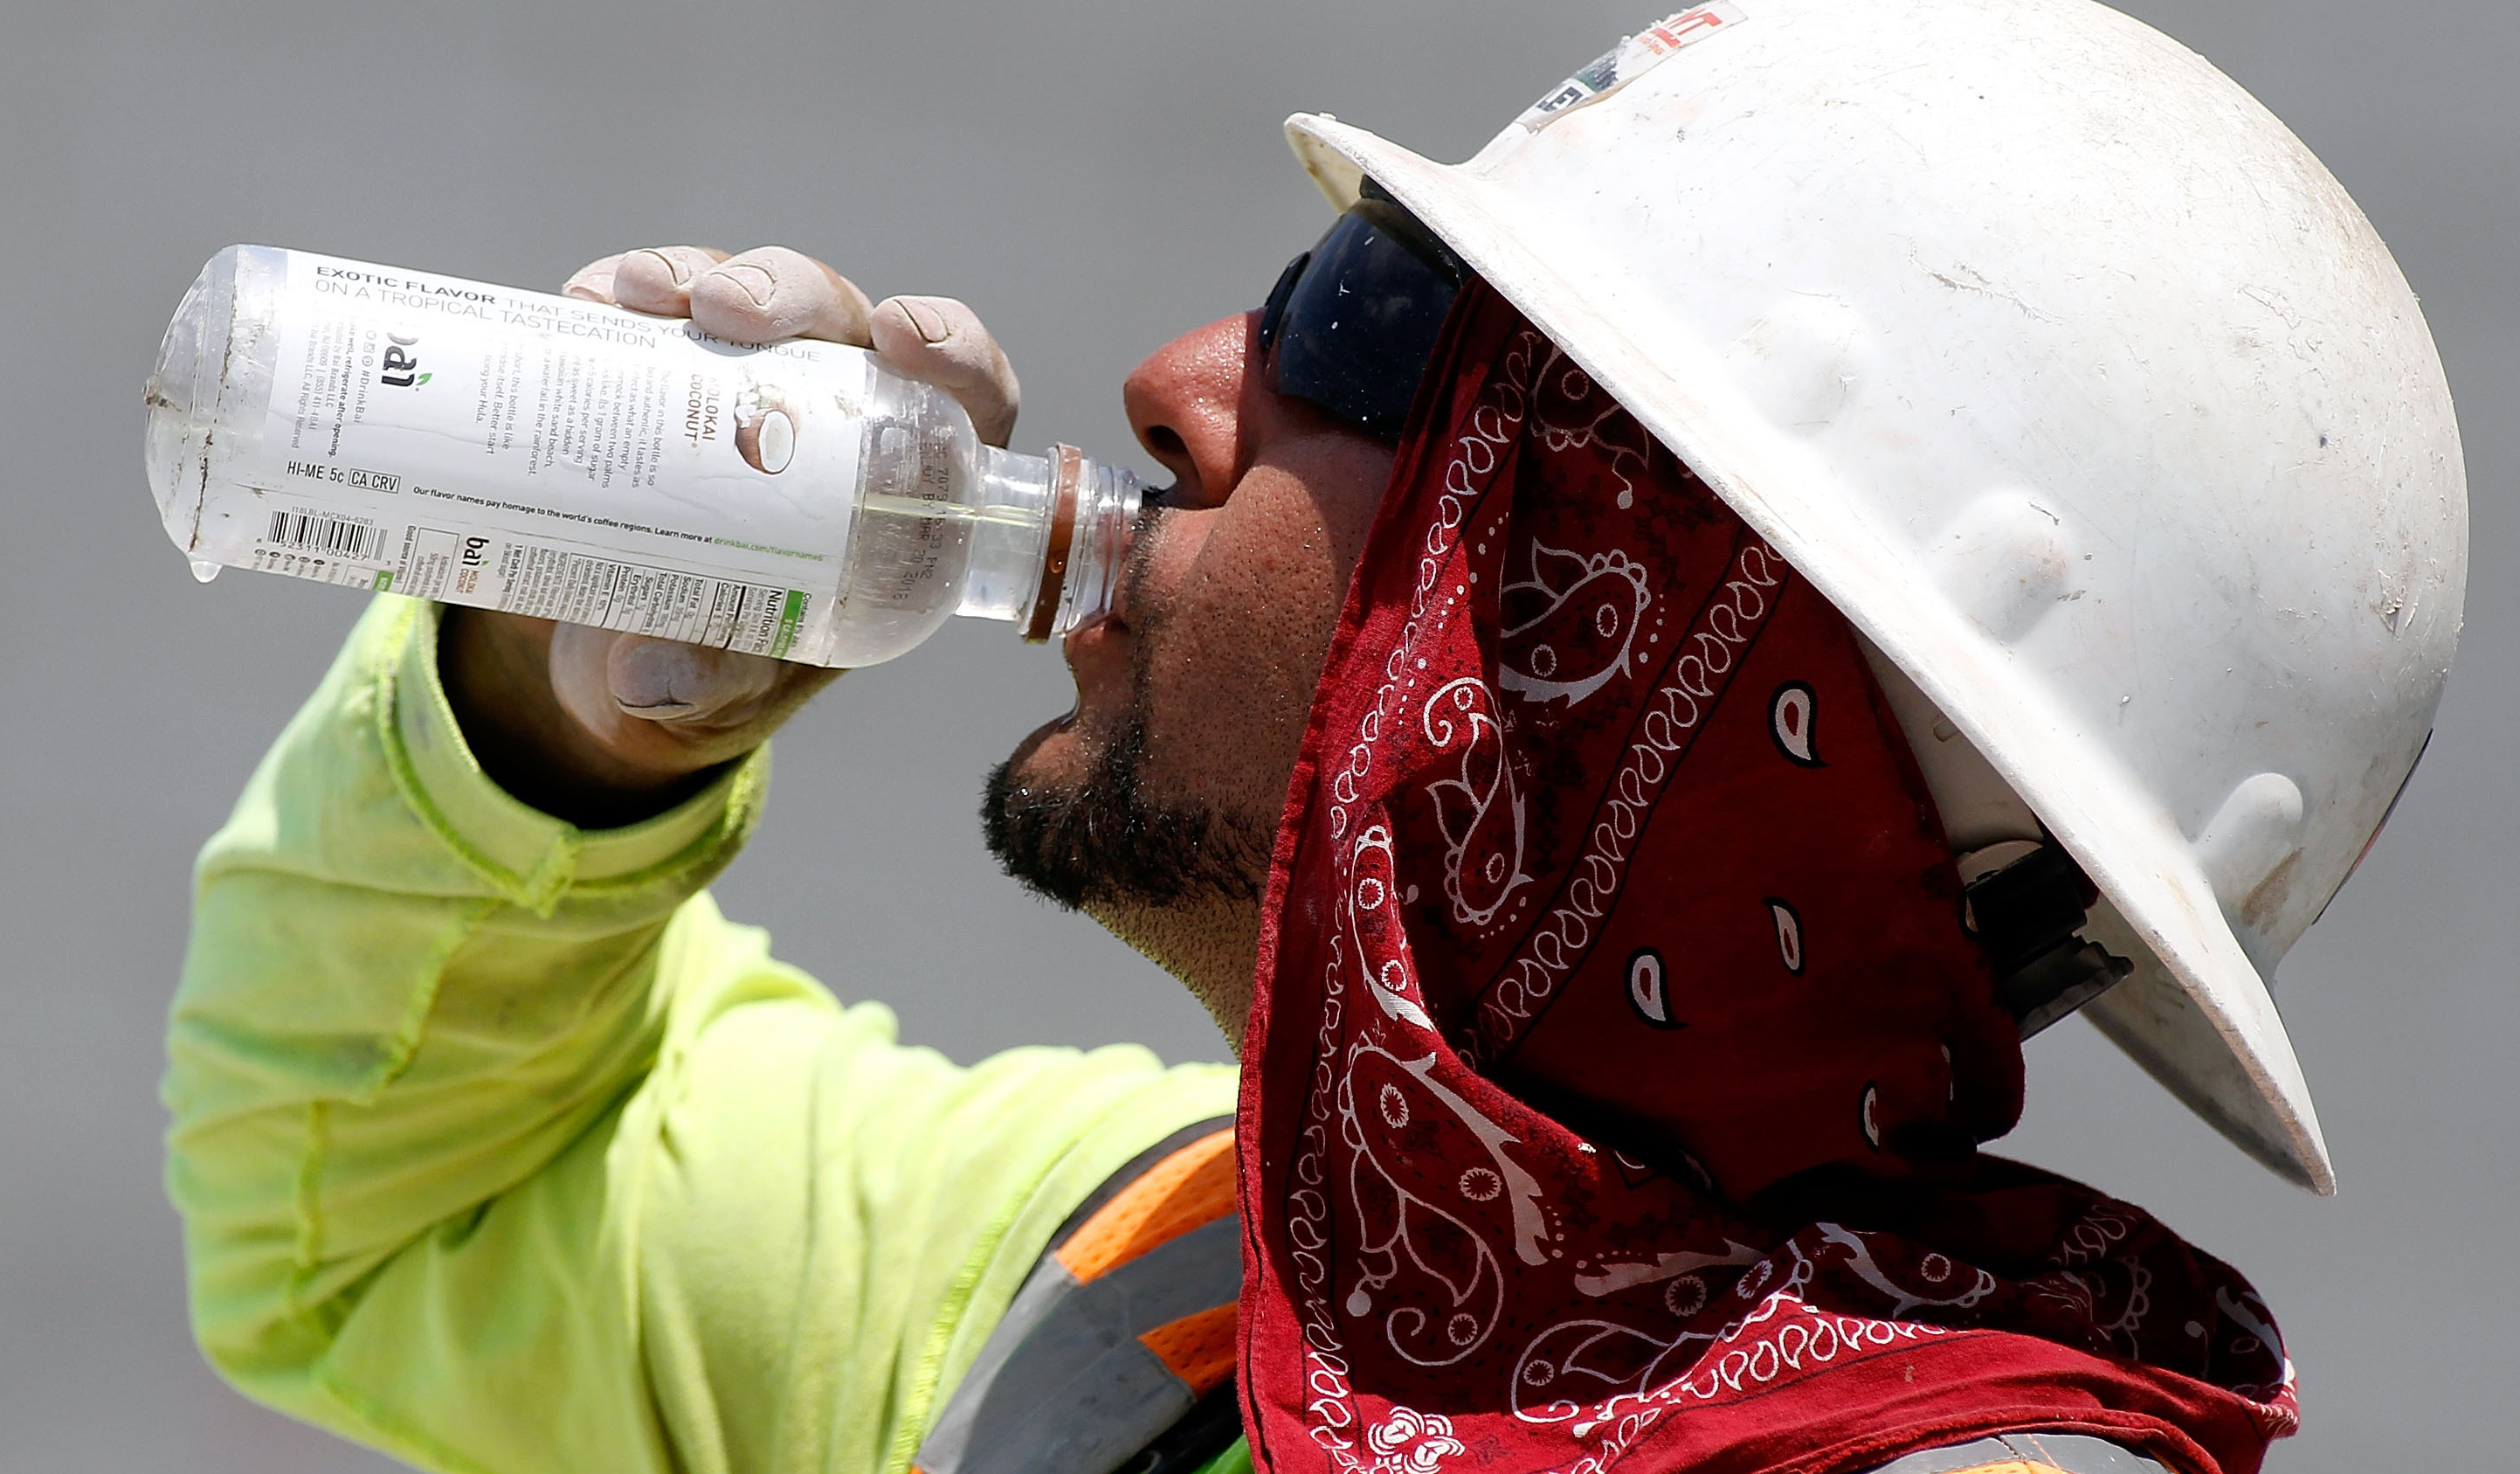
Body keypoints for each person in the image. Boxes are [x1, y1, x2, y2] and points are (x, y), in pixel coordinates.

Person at [162, 3, 2463, 1474]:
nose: (1177, 381)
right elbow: (404, 1222)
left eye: (1367, 323)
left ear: (1629, 668)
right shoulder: (1148, 1290)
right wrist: (551, 737)